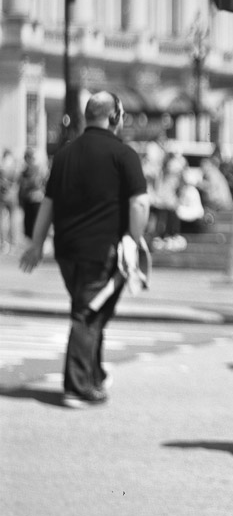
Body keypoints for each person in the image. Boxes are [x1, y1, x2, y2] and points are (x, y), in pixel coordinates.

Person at [19, 91, 149, 407]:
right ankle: (76, 386)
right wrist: (135, 237)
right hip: (102, 249)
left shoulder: (64, 155)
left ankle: (93, 375)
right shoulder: (124, 154)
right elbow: (139, 202)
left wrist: (36, 244)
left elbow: (47, 205)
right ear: (115, 117)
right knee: (88, 314)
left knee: (92, 310)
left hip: (67, 250)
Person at [18, 147, 47, 241]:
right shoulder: (24, 171)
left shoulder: (37, 169)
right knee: (28, 224)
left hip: (36, 199)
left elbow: (37, 183)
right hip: (27, 200)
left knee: (36, 223)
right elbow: (22, 185)